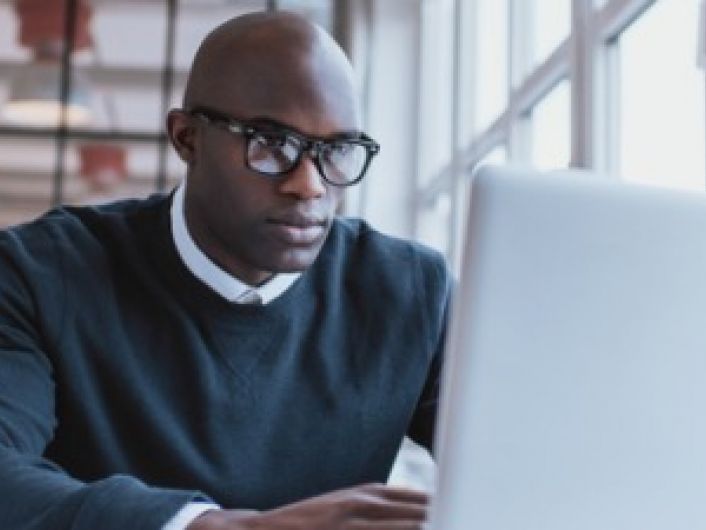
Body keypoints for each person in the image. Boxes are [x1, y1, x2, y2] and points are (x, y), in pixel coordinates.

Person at [0, 11, 451, 530]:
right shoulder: (39, 273)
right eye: (271, 144)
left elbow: (523, 457)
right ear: (187, 138)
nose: (310, 185)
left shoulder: (413, 293)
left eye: (338, 151)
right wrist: (213, 526)